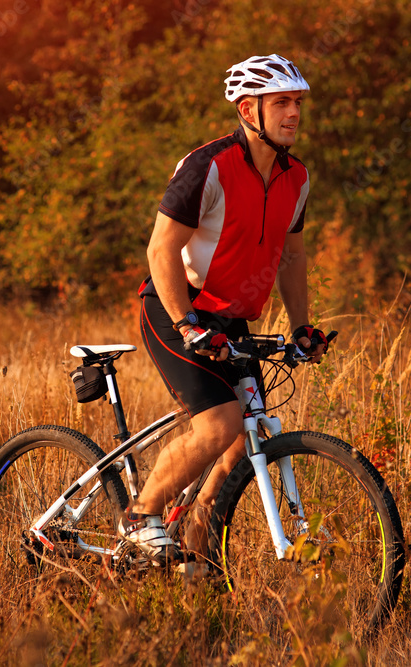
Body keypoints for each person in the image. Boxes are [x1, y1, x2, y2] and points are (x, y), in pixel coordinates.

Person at [118, 54, 330, 565]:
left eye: (297, 102)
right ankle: (140, 517)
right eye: (281, 102)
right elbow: (161, 250)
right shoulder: (207, 166)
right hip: (177, 308)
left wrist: (301, 326)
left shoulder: (296, 177)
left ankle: (199, 558)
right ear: (248, 109)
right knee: (219, 426)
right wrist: (188, 324)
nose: (294, 113)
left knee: (245, 438)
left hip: (231, 319)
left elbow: (293, 254)